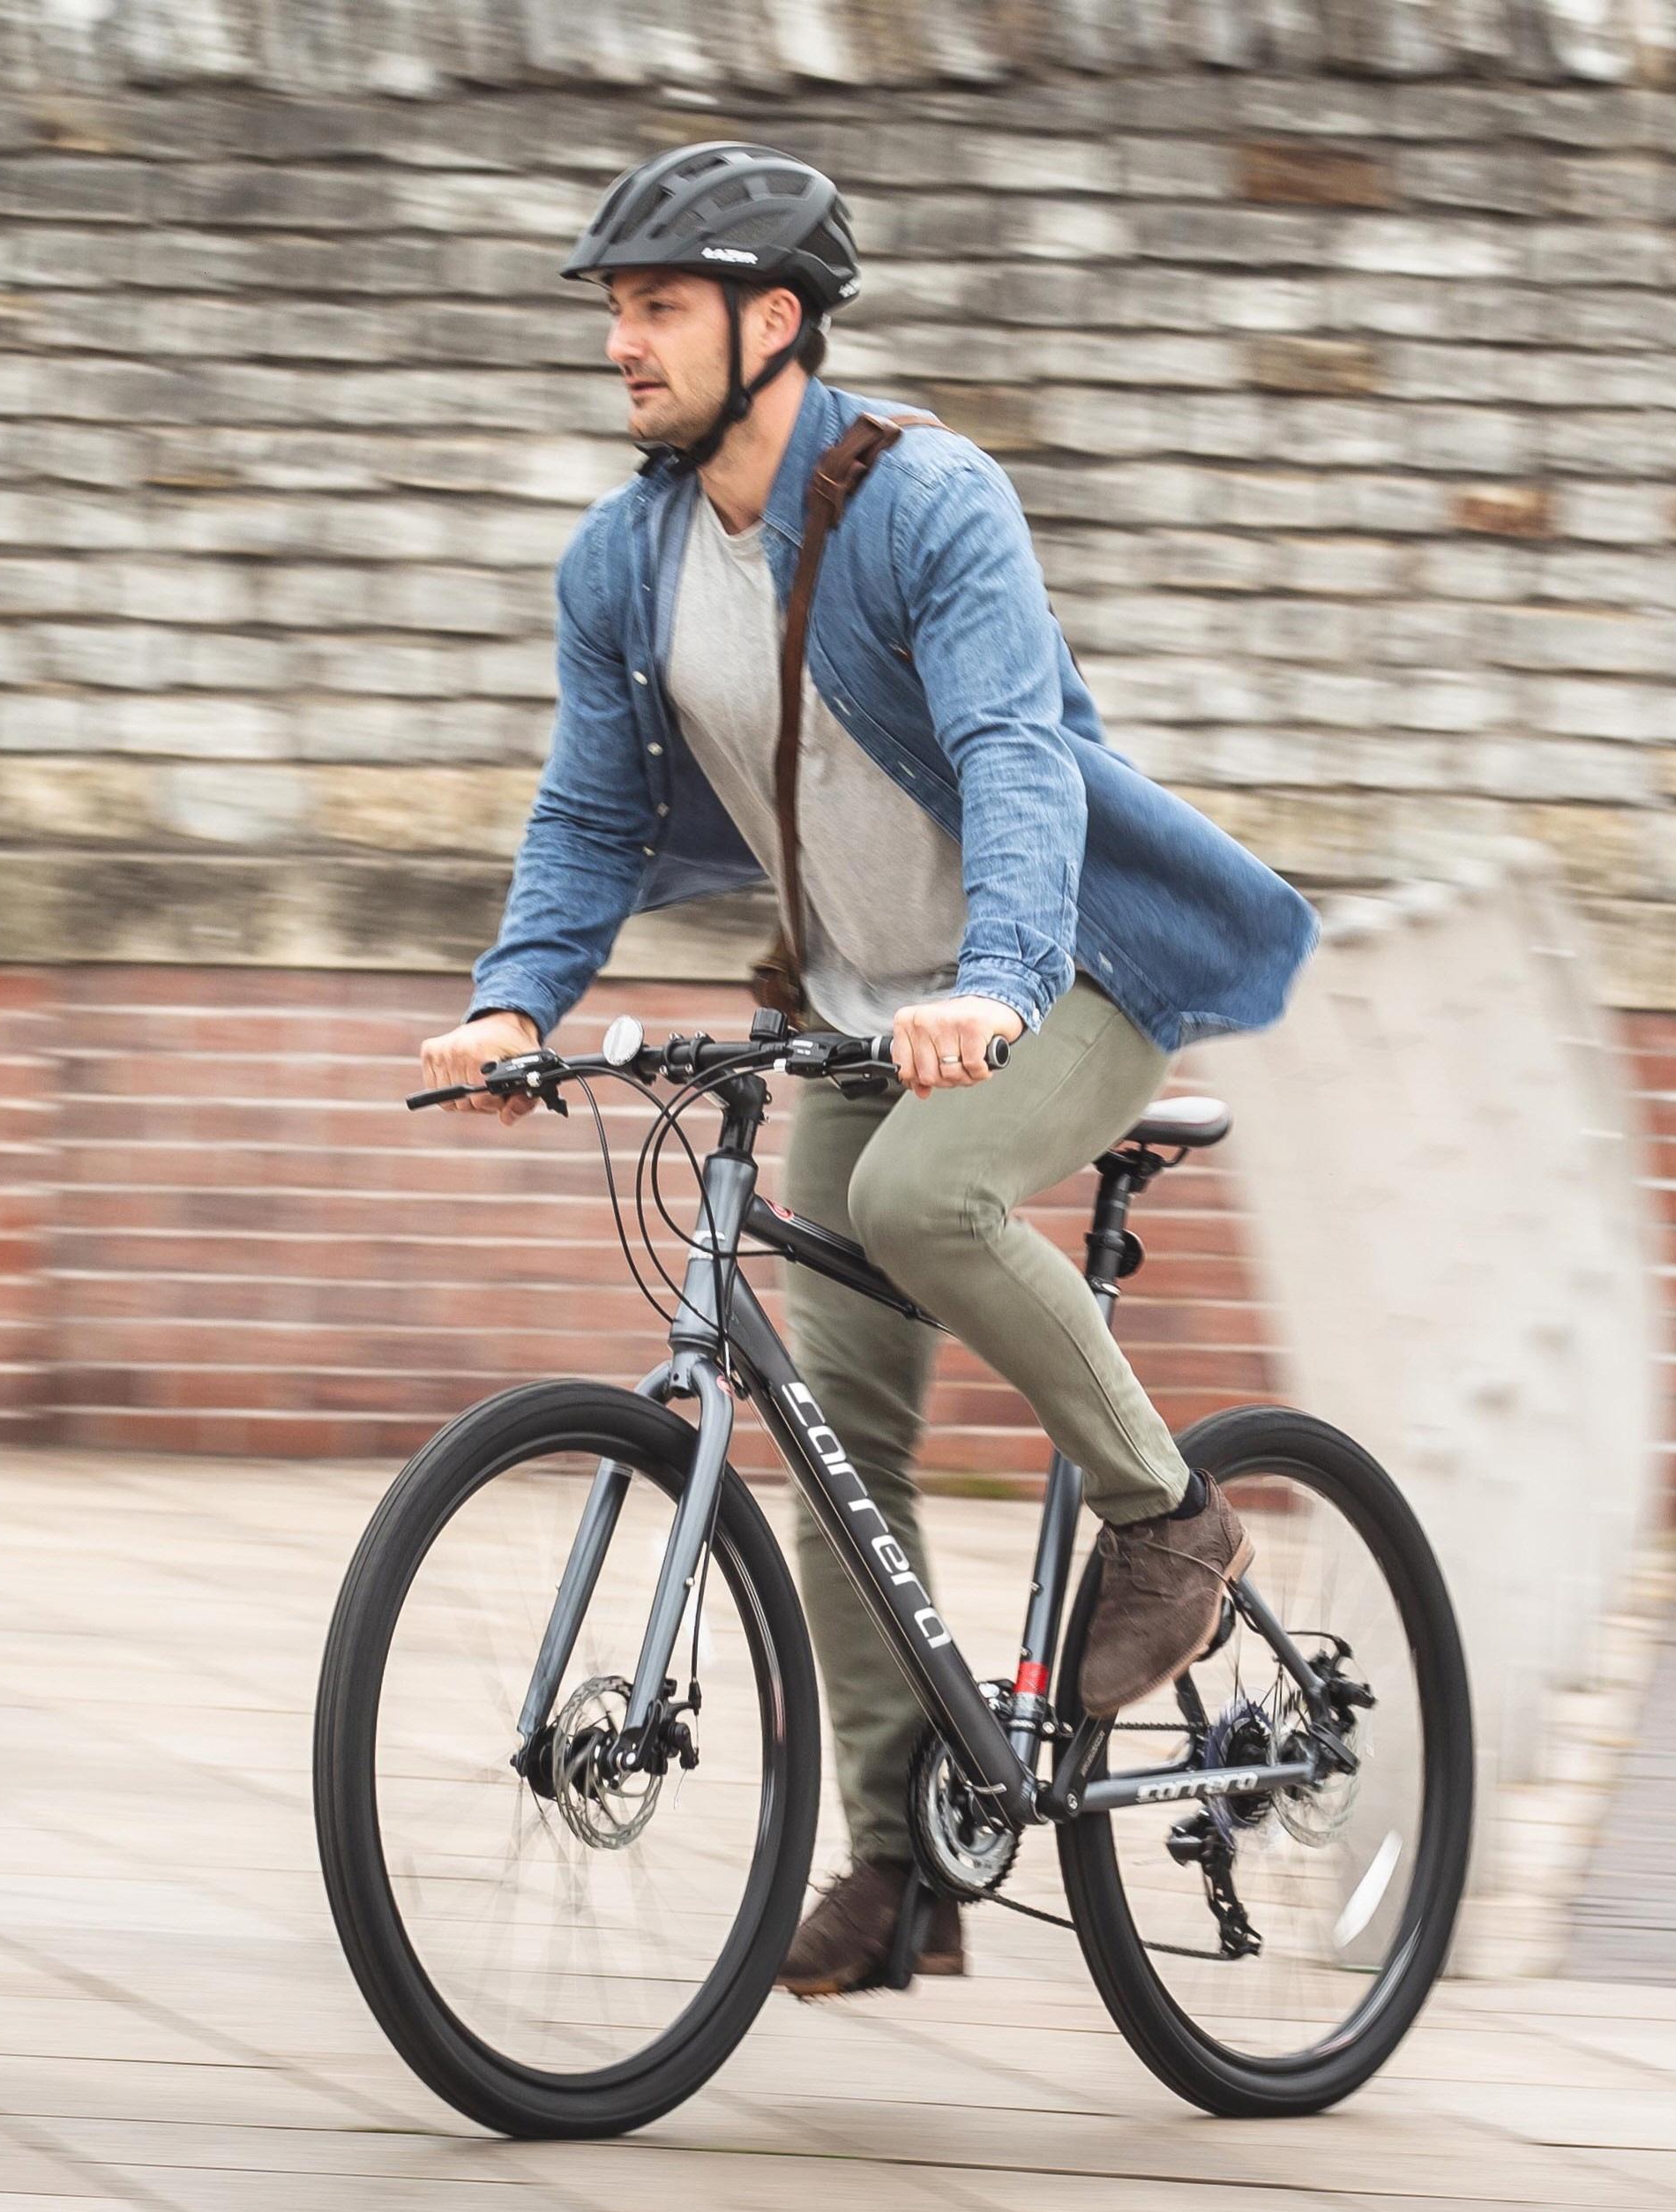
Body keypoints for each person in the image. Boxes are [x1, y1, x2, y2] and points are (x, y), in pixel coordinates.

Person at [417, 142, 1317, 1996]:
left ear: (774, 320)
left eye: (656, 307)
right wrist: (518, 1002)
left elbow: (1013, 753)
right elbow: (590, 811)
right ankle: (908, 1863)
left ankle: (1175, 1523)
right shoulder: (629, 558)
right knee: (840, 1447)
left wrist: (991, 982)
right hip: (850, 1001)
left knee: (923, 1191)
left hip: (1063, 972)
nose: (622, 346)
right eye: (615, 311)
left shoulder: (928, 501)